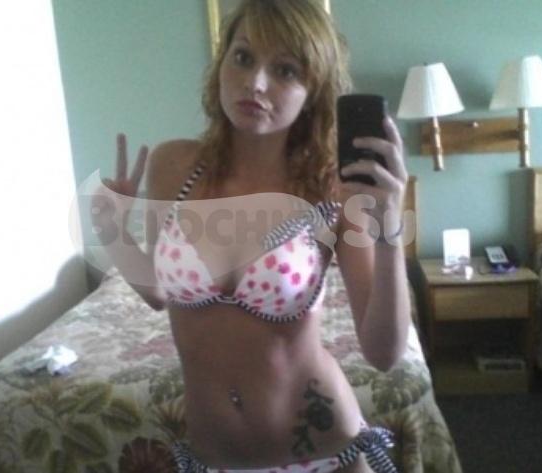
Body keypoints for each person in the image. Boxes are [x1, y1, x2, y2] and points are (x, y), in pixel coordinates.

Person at [92, 1, 410, 471]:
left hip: (324, 453)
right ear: (221, 63)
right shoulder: (174, 166)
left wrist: (389, 229)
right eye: (243, 57)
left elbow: (383, 354)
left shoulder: (333, 190)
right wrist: (112, 230)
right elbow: (159, 293)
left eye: (285, 70)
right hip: (213, 457)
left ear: (313, 91)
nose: (255, 83)